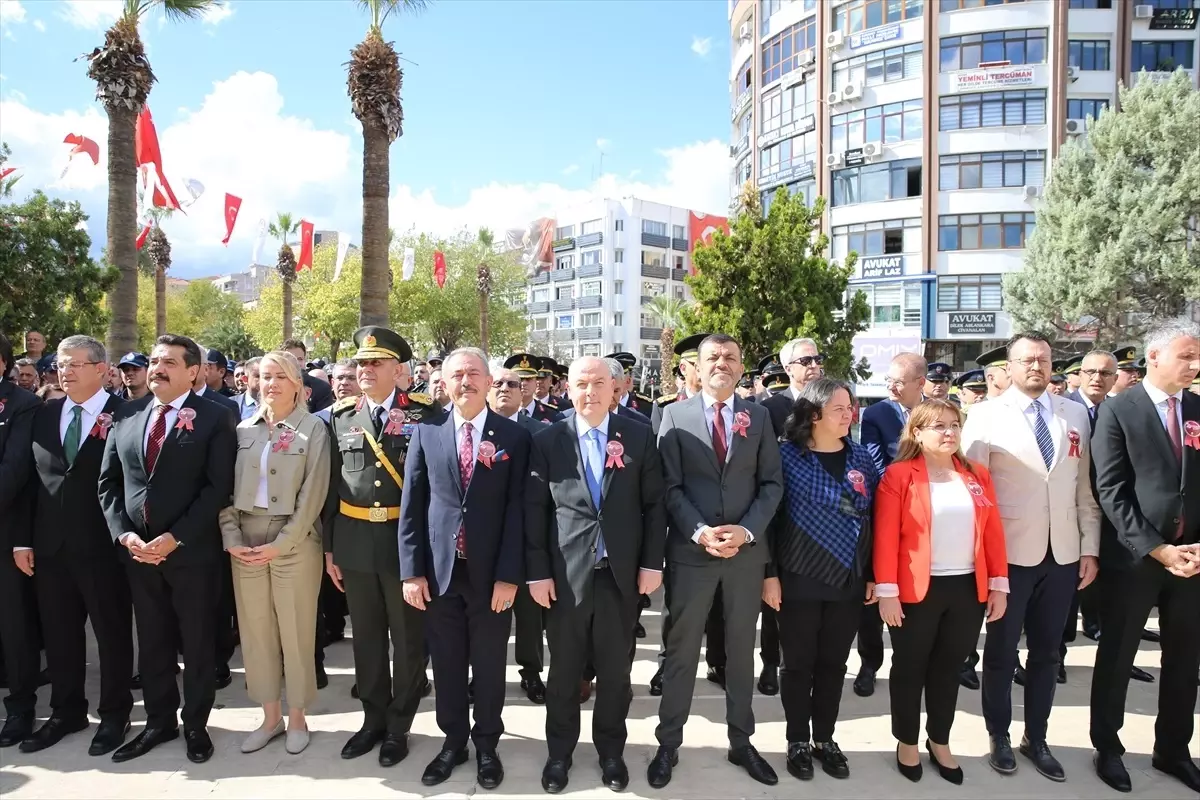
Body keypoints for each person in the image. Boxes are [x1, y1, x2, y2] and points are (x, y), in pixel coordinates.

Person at [962, 332, 1100, 782]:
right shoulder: (985, 415)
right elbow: (974, 492)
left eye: (1043, 359)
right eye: (1026, 360)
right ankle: (999, 735)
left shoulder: (1073, 413)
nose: (1036, 366)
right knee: (1001, 652)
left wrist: (1089, 547)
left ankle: (1036, 737)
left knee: (1047, 654)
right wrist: (982, 559)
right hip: (1009, 555)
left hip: (1063, 554)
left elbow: (1084, 489)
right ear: (1010, 367)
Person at [649, 334, 784, 789]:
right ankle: (668, 743)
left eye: (730, 357)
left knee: (741, 651)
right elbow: (668, 486)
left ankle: (741, 742)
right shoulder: (675, 415)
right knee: (682, 651)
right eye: (712, 357)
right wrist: (699, 530)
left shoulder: (758, 416)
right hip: (692, 554)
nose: (721, 363)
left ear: (741, 366)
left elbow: (771, 484)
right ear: (697, 366)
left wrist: (746, 531)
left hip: (745, 556)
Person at [526, 356, 666, 793]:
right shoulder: (548, 440)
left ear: (614, 389)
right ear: (568, 390)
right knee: (564, 673)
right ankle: (559, 754)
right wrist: (538, 573)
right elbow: (536, 510)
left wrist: (651, 564)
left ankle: (611, 753)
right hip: (565, 578)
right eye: (581, 384)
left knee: (615, 674)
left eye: (599, 384)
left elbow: (654, 505)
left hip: (619, 577)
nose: (590, 392)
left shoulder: (638, 435)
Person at [97, 334, 236, 764]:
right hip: (139, 554)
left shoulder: (216, 416)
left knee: (197, 643)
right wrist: (125, 535)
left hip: (191, 553)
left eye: (169, 362)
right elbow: (109, 483)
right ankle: (159, 722)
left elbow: (217, 488)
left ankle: (195, 724)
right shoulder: (127, 414)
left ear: (193, 372)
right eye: (155, 361)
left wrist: (175, 538)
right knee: (153, 641)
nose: (157, 368)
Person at [398, 347, 531, 790]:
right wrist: (411, 571)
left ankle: (487, 744)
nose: (465, 381)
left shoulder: (513, 437)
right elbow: (412, 506)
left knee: (489, 665)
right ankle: (453, 742)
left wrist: (509, 576)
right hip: (441, 574)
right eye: (457, 374)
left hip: (491, 575)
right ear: (445, 382)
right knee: (447, 664)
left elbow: (518, 510)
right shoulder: (427, 431)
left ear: (489, 381)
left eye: (474, 373)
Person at [1089, 319, 1200, 795]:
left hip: (1191, 560)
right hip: (1136, 558)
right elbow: (1110, 490)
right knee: (1118, 655)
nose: (1195, 365)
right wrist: (1158, 549)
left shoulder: (1197, 409)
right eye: (1186, 356)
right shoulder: (1119, 410)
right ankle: (1108, 747)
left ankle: (1173, 749)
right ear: (1154, 357)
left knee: (1184, 660)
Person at [875, 399, 1009, 784]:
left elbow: (992, 532)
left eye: (954, 425)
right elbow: (885, 536)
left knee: (949, 668)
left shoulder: (976, 474)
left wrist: (999, 584)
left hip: (967, 588)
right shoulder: (899, 475)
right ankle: (906, 741)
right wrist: (887, 591)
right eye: (939, 426)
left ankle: (940, 740)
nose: (949, 432)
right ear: (917, 433)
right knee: (909, 668)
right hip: (916, 590)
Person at [323, 327, 438, 766]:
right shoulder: (339, 416)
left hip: (402, 543)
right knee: (366, 639)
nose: (365, 370)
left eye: (376, 363)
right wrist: (331, 549)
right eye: (361, 363)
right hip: (354, 542)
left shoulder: (425, 414)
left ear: (397, 370)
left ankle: (398, 725)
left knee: (408, 640)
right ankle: (372, 720)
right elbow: (331, 488)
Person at [14, 336, 134, 757]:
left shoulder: (127, 413)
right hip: (50, 547)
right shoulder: (44, 413)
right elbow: (30, 480)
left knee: (111, 633)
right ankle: (66, 711)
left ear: (101, 369)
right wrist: (23, 540)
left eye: (75, 364)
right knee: (60, 635)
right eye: (60, 365)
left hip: (104, 546)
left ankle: (115, 713)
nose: (64, 372)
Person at [760, 378, 879, 782]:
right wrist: (769, 575)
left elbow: (873, 518)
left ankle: (825, 738)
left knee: (834, 663)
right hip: (797, 576)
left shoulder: (860, 457)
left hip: (848, 578)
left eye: (851, 408)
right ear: (813, 415)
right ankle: (797, 739)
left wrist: (872, 574)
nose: (849, 415)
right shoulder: (785, 456)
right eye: (839, 409)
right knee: (797, 664)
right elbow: (770, 521)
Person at [220, 351, 330, 756]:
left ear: (298, 384)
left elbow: (314, 492)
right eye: (265, 376)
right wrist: (231, 537)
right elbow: (224, 489)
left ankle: (298, 717)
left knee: (296, 632)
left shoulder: (313, 429)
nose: (271, 384)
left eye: (281, 377)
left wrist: (282, 543)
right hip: (246, 539)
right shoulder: (242, 429)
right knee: (256, 633)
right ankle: (270, 718)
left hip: (294, 541)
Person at [853, 352, 926, 697]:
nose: (892, 388)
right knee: (874, 592)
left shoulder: (939, 411)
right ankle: (869, 664)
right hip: (885, 508)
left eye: (900, 382)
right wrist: (907, 489)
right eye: (889, 381)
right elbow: (874, 463)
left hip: (928, 517)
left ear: (920, 383)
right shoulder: (877, 414)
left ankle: (912, 663)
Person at [647, 334, 707, 697]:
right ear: (684, 369)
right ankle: (666, 664)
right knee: (676, 602)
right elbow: (661, 463)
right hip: (679, 516)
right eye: (697, 364)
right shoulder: (667, 407)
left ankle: (718, 660)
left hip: (720, 517)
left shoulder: (739, 409)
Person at [486, 366, 549, 705]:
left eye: (513, 384)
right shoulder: (474, 428)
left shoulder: (540, 431)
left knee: (528, 614)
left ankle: (531, 671)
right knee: (486, 612)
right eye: (498, 383)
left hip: (526, 534)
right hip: (484, 537)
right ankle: (483, 673)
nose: (505, 389)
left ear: (525, 390)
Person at [0, 334, 41, 749]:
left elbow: (14, 470)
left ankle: (21, 707)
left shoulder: (20, 404)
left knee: (15, 627)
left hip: (8, 532)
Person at [282, 339, 334, 413]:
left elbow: (323, 417)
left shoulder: (322, 388)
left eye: (300, 359)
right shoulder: (273, 386)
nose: (296, 363)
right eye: (290, 359)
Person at [505, 353, 558, 422]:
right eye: (520, 379)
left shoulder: (552, 414)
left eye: (529, 379)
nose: (524, 383)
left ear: (536, 382)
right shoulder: (502, 412)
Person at [234, 357, 261, 421]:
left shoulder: (278, 402)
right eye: (258, 376)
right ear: (245, 379)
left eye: (267, 376)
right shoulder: (230, 404)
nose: (263, 379)